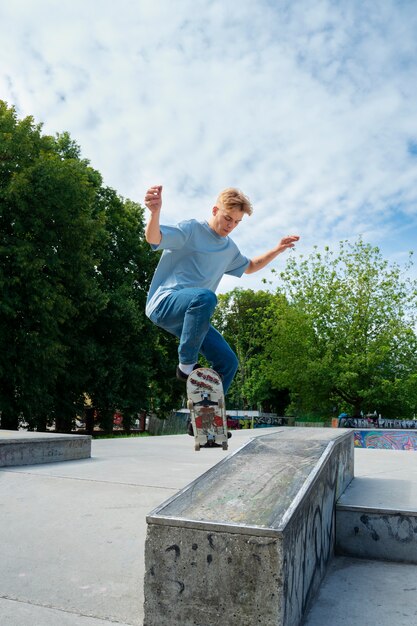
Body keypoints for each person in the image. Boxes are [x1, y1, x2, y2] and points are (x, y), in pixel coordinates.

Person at [144, 184, 299, 395]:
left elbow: (251, 266)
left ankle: (207, 419)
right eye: (228, 218)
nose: (231, 226)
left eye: (237, 222)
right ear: (215, 210)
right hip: (164, 303)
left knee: (228, 362)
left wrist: (277, 250)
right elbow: (154, 238)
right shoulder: (191, 229)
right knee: (206, 297)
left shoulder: (229, 249)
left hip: (192, 320)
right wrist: (155, 213)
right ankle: (186, 366)